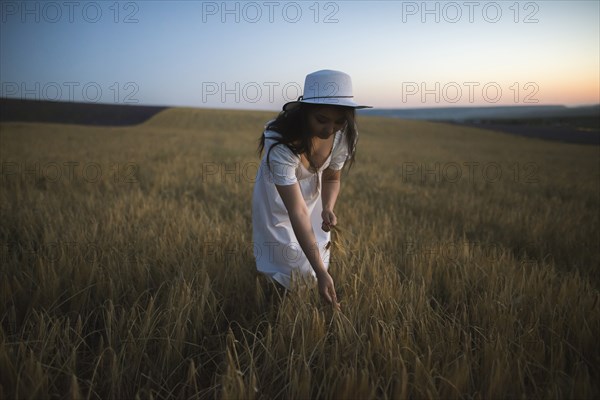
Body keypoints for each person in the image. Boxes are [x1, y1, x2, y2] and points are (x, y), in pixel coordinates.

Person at [252, 70, 371, 309]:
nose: (330, 129)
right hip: (278, 195)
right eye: (322, 119)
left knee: (314, 251)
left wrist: (328, 206)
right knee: (287, 257)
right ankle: (276, 301)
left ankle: (296, 296)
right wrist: (320, 272)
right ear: (305, 112)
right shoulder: (281, 145)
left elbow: (331, 176)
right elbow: (296, 211)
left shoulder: (345, 136)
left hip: (312, 195)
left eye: (339, 121)